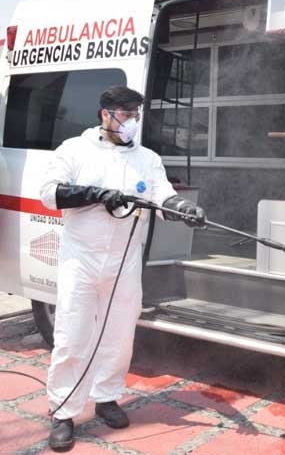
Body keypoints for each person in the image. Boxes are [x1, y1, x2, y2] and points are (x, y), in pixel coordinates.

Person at [40, 86, 205, 451]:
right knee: (72, 334)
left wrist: (183, 208)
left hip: (125, 260)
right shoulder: (74, 150)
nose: (131, 122)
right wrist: (96, 195)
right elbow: (50, 193)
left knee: (119, 335)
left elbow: (163, 195)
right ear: (105, 114)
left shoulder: (146, 158)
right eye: (125, 115)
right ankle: (64, 412)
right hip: (80, 259)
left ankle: (107, 398)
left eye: (135, 115)